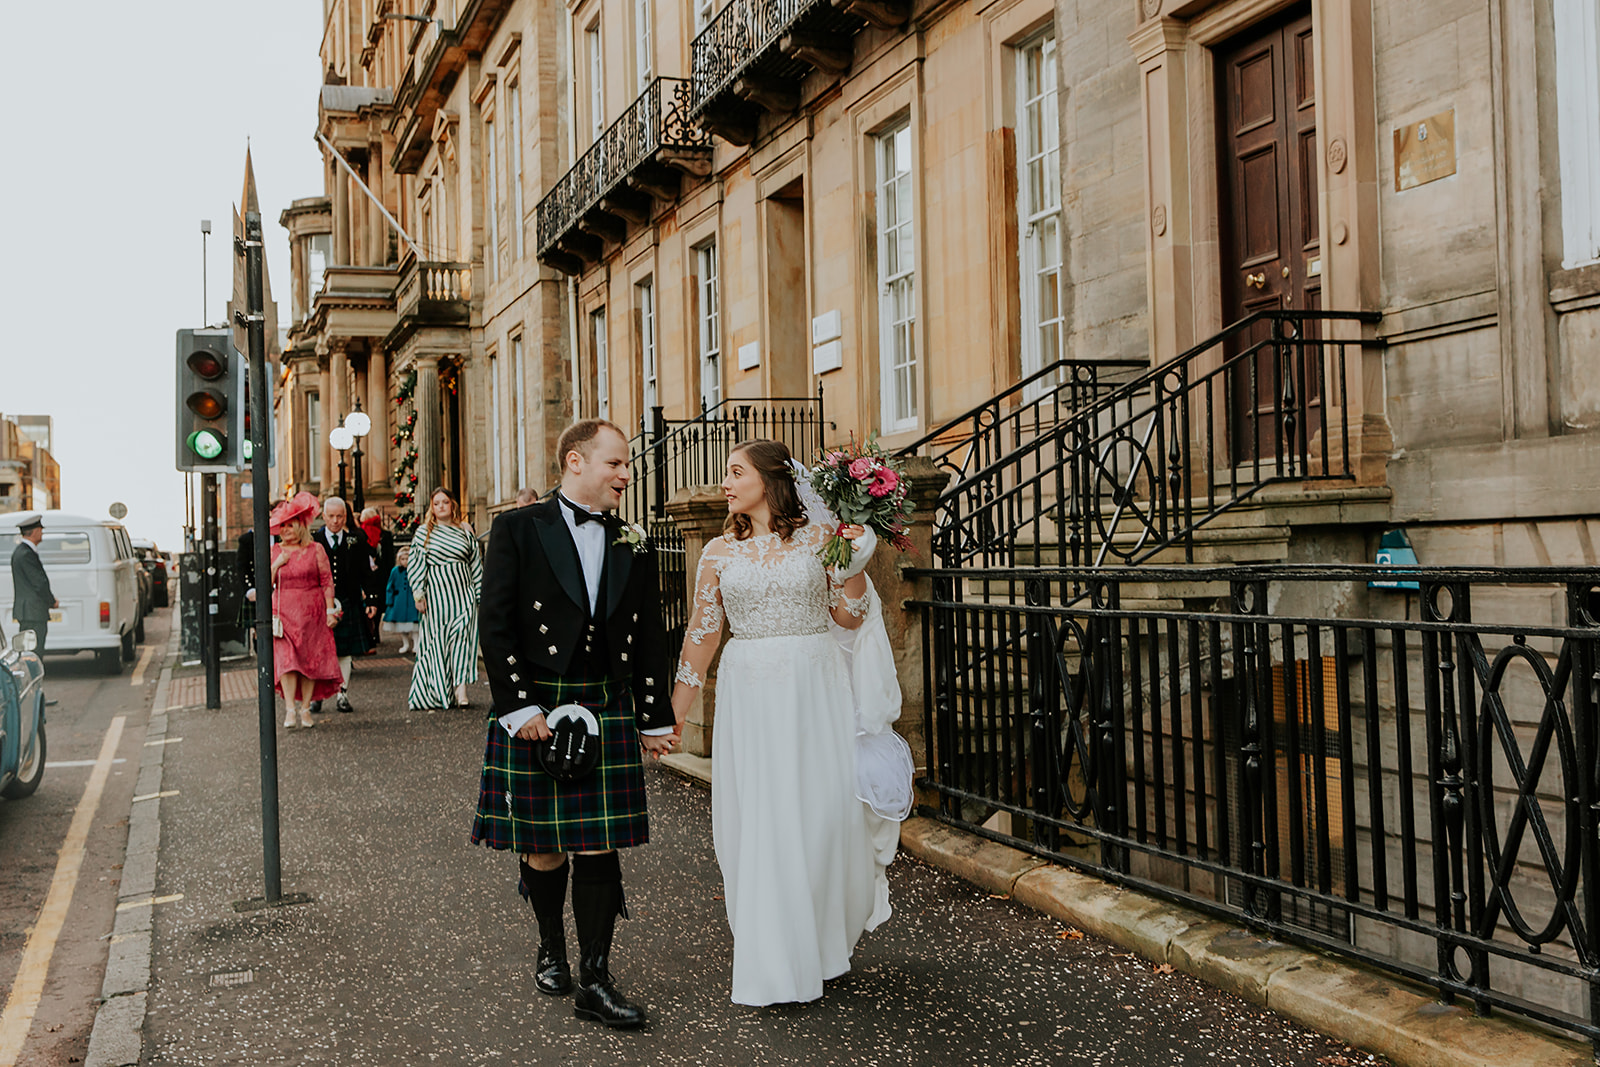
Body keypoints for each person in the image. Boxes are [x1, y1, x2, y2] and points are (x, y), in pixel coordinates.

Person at [669, 438, 903, 1007]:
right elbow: (701, 639)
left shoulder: (822, 540)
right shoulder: (719, 554)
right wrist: (671, 718)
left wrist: (855, 568)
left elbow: (847, 617)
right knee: (762, 819)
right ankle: (772, 958)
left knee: (820, 816)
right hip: (751, 690)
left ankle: (821, 943)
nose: (725, 483)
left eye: (735, 472)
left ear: (771, 481)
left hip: (814, 686)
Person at [472, 418, 676, 1030]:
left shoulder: (631, 540)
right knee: (544, 848)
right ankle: (550, 948)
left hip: (604, 705)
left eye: (627, 464)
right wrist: (518, 706)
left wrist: (653, 715)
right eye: (615, 462)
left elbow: (646, 637)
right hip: (539, 703)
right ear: (574, 462)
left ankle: (595, 978)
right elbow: (497, 621)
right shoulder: (516, 529)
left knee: (598, 842)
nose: (625, 474)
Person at [268, 493, 343, 728]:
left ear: (301, 526)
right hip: (283, 611)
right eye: (283, 526)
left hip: (312, 612)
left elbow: (326, 580)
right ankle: (290, 709)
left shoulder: (315, 549)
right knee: (288, 662)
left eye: (290, 525)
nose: (286, 530)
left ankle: (305, 708)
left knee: (310, 663)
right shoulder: (275, 552)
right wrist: (277, 564)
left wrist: (331, 611)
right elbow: (265, 584)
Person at [407, 488, 482, 710]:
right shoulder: (423, 533)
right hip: (437, 598)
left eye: (445, 502)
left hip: (463, 595)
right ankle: (441, 689)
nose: (441, 506)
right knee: (439, 644)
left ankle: (461, 690)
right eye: (437, 503)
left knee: (462, 641)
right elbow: (416, 565)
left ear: (453, 505)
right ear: (432, 507)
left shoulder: (465, 531)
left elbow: (476, 564)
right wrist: (418, 594)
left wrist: (479, 595)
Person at [309, 496, 376, 712]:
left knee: (344, 651)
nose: (336, 521)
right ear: (323, 516)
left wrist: (372, 599)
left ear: (345, 516)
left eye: (340, 516)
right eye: (331, 516)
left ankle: (342, 694)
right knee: (319, 650)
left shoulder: (354, 540)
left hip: (349, 600)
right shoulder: (313, 540)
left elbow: (366, 572)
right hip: (319, 602)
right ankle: (317, 696)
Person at [9, 515, 56, 652]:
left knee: (30, 649)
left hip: (29, 612)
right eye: (40, 530)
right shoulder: (26, 554)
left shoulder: (22, 552)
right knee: (34, 651)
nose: (42, 533)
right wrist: (51, 601)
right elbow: (39, 582)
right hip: (33, 612)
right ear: (35, 532)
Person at [360, 507, 395, 652]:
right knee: (376, 604)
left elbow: (389, 556)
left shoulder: (384, 535)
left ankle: (374, 630)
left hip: (377, 574)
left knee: (376, 604)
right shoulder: (364, 534)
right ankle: (374, 631)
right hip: (379, 574)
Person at [384, 544, 421, 655]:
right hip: (399, 601)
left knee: (414, 626)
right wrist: (389, 601)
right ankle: (405, 644)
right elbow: (390, 586)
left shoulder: (416, 569)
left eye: (407, 558)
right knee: (402, 627)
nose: (405, 561)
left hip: (412, 600)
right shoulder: (395, 571)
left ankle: (416, 644)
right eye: (403, 559)